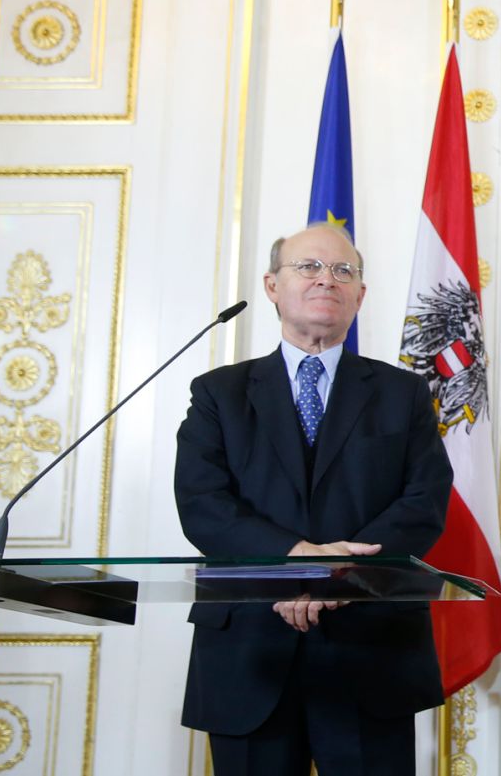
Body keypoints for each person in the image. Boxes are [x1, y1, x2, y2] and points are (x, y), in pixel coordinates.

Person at [174, 223, 453, 775]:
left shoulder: (403, 394)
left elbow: (423, 502)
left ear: (361, 295)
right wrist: (292, 561)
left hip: (370, 649)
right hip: (250, 652)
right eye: (308, 267)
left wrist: (337, 574)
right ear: (272, 286)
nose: (327, 279)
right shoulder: (218, 394)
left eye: (343, 271)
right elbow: (203, 504)